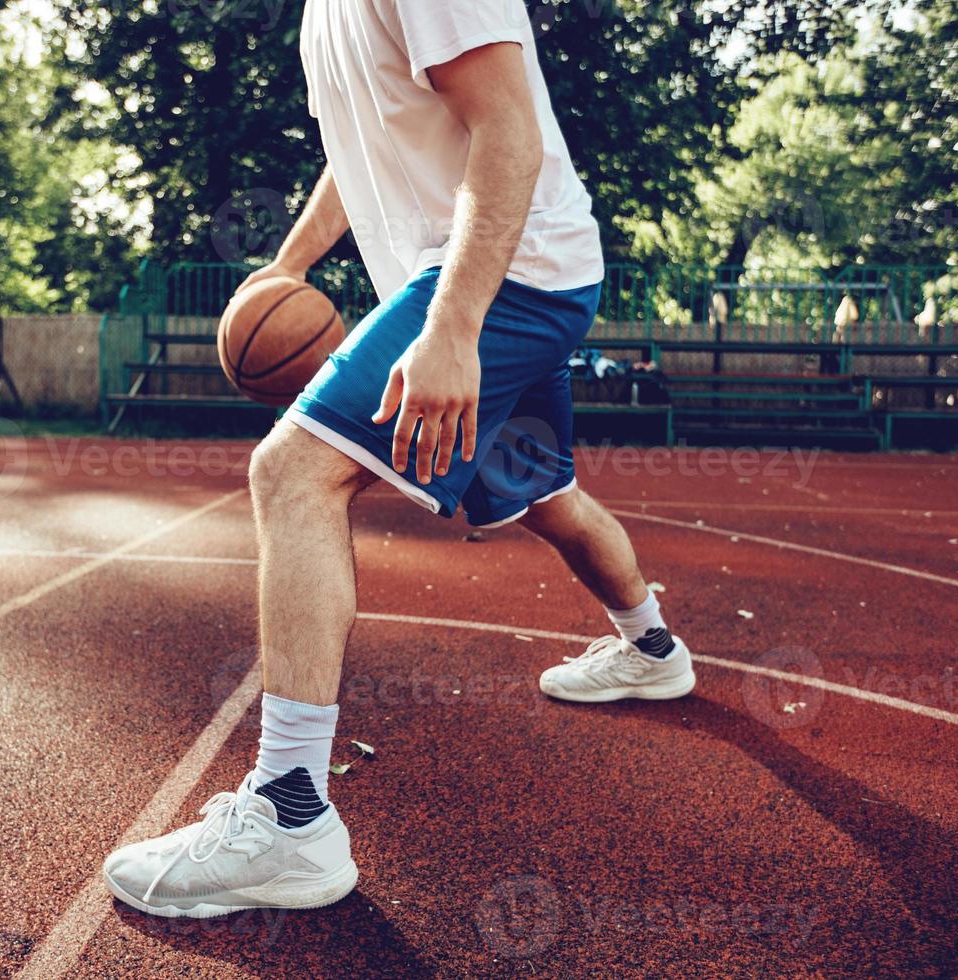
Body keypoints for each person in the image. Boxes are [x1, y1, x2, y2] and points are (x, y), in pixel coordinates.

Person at [103, 0, 695, 918]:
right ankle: (652, 647)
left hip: (507, 273)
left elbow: (508, 126)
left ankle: (290, 816)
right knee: (545, 494)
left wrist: (455, 325)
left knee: (291, 472)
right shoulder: (321, 17)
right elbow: (362, 150)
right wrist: (285, 268)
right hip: (520, 273)